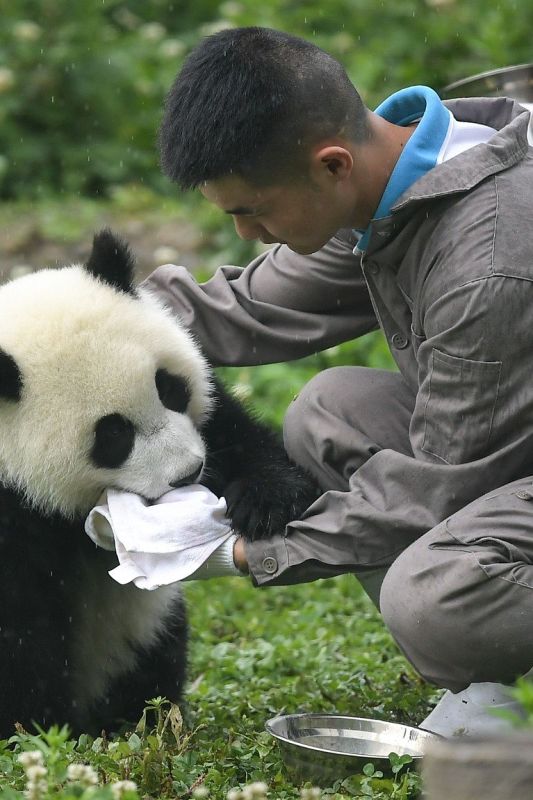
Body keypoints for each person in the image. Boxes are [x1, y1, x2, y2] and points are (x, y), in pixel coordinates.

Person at [144, 26, 533, 736]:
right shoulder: (395, 187)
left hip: (482, 465)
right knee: (332, 408)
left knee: (434, 599)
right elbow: (242, 307)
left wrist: (230, 552)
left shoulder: (487, 259)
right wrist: (70, 326)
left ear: (330, 165)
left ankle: (489, 665)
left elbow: (431, 491)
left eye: (251, 211)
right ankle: (488, 679)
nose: (245, 234)